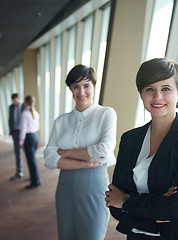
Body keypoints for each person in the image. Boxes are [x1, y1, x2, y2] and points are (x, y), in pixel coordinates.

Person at [105, 58, 178, 240]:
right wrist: (155, 214)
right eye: (149, 89)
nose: (157, 97)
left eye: (166, 89)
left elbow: (176, 206)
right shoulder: (130, 139)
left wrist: (126, 200)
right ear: (141, 94)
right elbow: (113, 204)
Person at [44, 64, 117, 240]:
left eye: (86, 85)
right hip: (65, 188)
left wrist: (66, 153)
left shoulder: (106, 114)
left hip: (94, 186)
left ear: (93, 86)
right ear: (70, 89)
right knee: (67, 235)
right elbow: (48, 158)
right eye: (75, 86)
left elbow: (104, 151)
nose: (81, 91)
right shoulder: (61, 121)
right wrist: (84, 162)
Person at [19, 95, 41, 189]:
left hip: (28, 138)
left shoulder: (25, 113)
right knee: (33, 160)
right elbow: (37, 127)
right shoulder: (35, 112)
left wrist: (21, 141)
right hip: (35, 136)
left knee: (31, 161)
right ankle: (36, 179)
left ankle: (35, 182)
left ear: (26, 102)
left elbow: (23, 129)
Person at [8, 93, 23, 180]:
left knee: (29, 155)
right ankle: (19, 172)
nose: (14, 102)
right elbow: (10, 119)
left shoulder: (24, 107)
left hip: (24, 133)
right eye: (13, 101)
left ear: (19, 99)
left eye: (15, 100)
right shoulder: (11, 107)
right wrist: (11, 131)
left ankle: (33, 174)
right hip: (15, 132)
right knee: (17, 153)